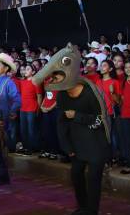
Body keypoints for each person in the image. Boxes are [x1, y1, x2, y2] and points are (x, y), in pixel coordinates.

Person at [33, 44, 111, 215]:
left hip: (96, 144)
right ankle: (83, 208)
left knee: (93, 179)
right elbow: (61, 123)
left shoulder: (91, 92)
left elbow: (101, 119)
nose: (55, 81)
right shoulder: (61, 95)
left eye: (58, 77)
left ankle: (91, 211)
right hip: (77, 145)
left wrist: (76, 115)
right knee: (76, 176)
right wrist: (67, 147)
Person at [0, 53, 21, 184]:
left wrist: (12, 111)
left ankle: (3, 176)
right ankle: (1, 175)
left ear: (6, 68)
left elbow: (17, 99)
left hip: (1, 120)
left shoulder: (9, 83)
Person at [100, 60, 122, 164]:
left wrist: (112, 92)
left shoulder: (115, 82)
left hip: (109, 113)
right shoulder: (98, 82)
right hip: (99, 113)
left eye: (104, 65)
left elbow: (118, 101)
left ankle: (112, 158)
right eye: (101, 65)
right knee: (102, 136)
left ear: (111, 69)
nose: (102, 67)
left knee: (111, 136)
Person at [19, 64, 42, 155]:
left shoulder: (36, 82)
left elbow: (39, 96)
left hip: (32, 108)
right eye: (25, 69)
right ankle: (25, 147)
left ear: (33, 72)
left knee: (31, 129)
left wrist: (38, 109)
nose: (25, 71)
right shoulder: (22, 82)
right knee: (23, 129)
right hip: (22, 108)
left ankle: (32, 148)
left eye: (28, 69)